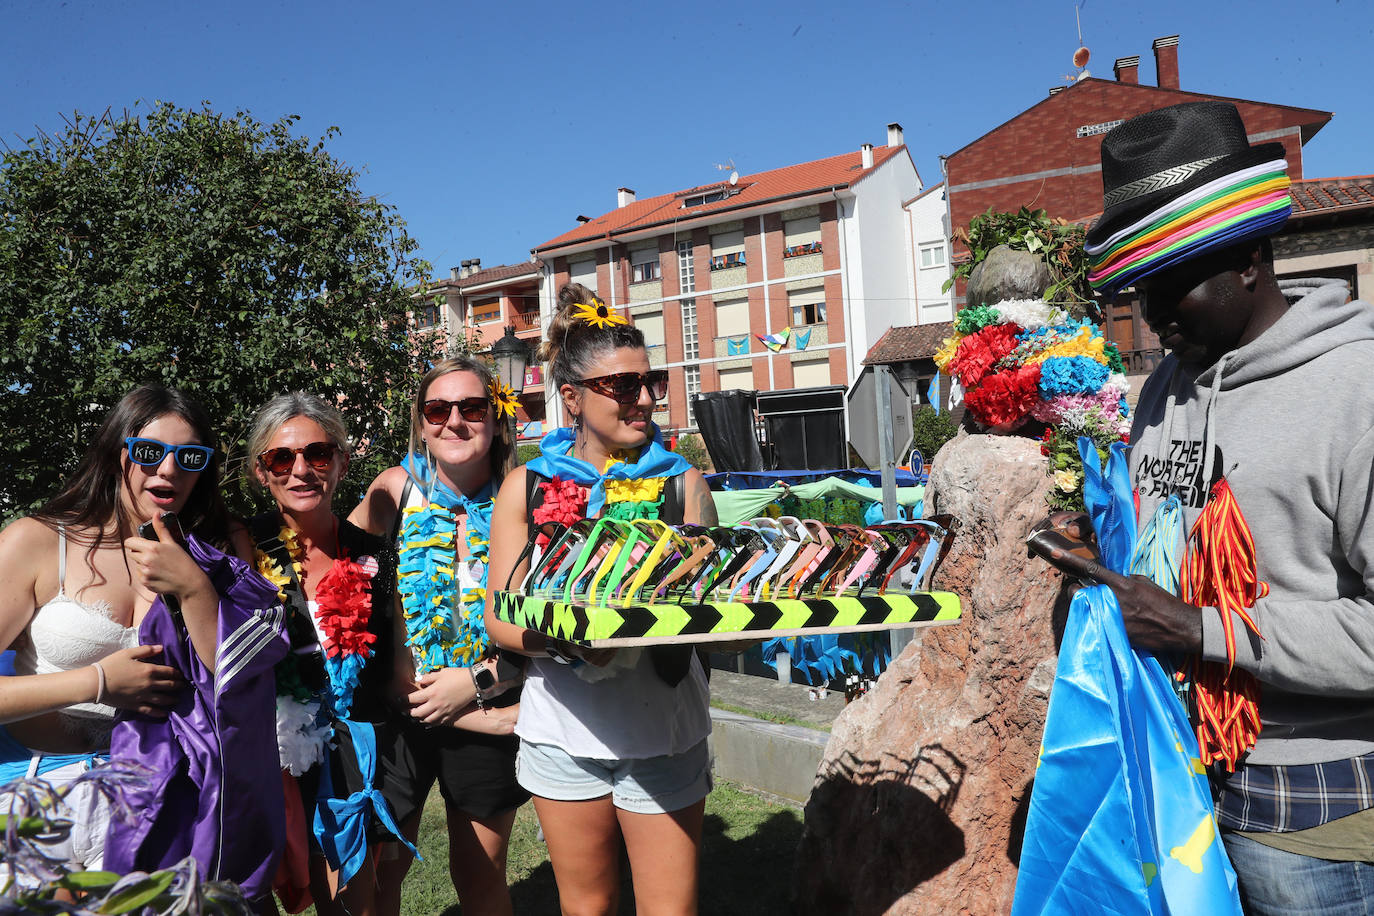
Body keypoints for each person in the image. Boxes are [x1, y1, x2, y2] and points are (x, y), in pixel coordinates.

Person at [1054, 100, 1374, 913]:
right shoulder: (1163, 390)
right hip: (1183, 787)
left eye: (1173, 284)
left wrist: (1201, 630)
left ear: (1250, 260)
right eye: (1138, 290)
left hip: (1319, 816)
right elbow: (1178, 538)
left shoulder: (1356, 389)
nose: (1152, 317)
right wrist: (1105, 548)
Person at [484, 283, 719, 916]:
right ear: (572, 398)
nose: (644, 399)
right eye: (621, 386)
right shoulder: (526, 487)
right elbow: (501, 621)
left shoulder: (684, 485)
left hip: (665, 730)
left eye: (651, 382)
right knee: (587, 906)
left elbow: (712, 607)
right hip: (562, 732)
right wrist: (570, 637)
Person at [0, 384, 287, 900]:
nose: (169, 471)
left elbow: (237, 680)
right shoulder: (37, 543)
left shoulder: (215, 554)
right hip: (44, 795)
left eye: (190, 457)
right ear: (117, 454)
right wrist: (97, 681)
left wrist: (195, 587)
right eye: (150, 453)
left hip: (165, 800)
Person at [350, 356, 524, 916]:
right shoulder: (394, 490)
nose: (454, 421)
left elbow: (538, 627)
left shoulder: (524, 499)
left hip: (487, 709)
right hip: (399, 716)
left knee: (478, 873)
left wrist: (472, 687)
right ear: (420, 422)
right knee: (380, 869)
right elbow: (336, 568)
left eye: (472, 408)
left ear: (496, 419)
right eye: (437, 409)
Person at [246, 392, 415, 915]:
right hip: (275, 759)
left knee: (369, 902)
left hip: (366, 756)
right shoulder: (241, 553)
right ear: (261, 472)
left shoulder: (377, 556)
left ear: (341, 462)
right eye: (282, 458)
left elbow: (393, 667)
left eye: (318, 455)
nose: (301, 470)